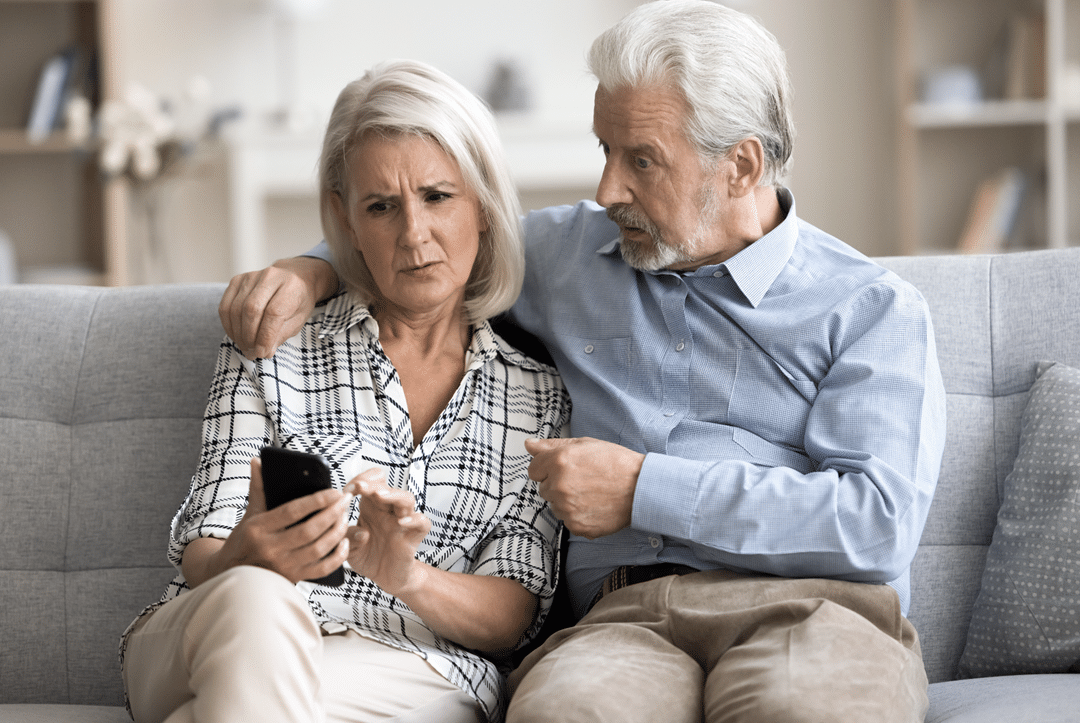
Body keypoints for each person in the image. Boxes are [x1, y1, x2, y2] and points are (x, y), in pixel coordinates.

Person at [219, 2, 947, 721]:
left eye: (642, 161)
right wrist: (309, 271)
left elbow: (875, 524)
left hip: (813, 610)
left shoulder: (869, 309)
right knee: (565, 712)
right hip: (620, 621)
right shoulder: (571, 253)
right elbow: (425, 239)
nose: (607, 191)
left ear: (741, 165)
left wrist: (643, 489)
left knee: (804, 712)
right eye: (606, 151)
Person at [121, 59, 571, 723]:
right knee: (257, 602)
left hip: (406, 668)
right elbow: (203, 556)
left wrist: (408, 575)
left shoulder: (536, 395)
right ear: (345, 218)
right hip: (219, 627)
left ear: (484, 205)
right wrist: (254, 552)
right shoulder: (275, 345)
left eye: (437, 197)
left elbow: (515, 611)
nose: (414, 235)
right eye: (381, 207)